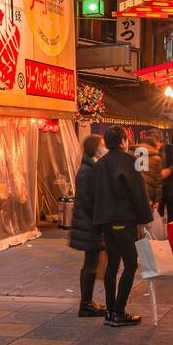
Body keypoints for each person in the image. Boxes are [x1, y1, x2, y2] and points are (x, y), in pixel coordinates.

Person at [89, 125, 152, 327]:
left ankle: (110, 310)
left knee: (112, 265)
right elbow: (138, 192)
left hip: (105, 223)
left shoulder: (99, 164)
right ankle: (119, 311)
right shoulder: (130, 161)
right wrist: (146, 217)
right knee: (131, 263)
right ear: (124, 141)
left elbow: (94, 195)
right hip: (124, 221)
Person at [69, 134, 107, 317]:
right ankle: (85, 304)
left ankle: (87, 302)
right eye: (103, 145)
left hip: (89, 224)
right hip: (89, 225)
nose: (105, 148)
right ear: (95, 148)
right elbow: (87, 201)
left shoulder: (92, 167)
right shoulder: (87, 170)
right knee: (91, 263)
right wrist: (100, 218)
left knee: (91, 263)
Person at [158, 135, 173, 224]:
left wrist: (169, 170)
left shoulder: (171, 149)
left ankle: (172, 235)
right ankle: (159, 236)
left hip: (171, 188)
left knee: (172, 216)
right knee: (157, 216)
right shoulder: (148, 151)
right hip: (157, 190)